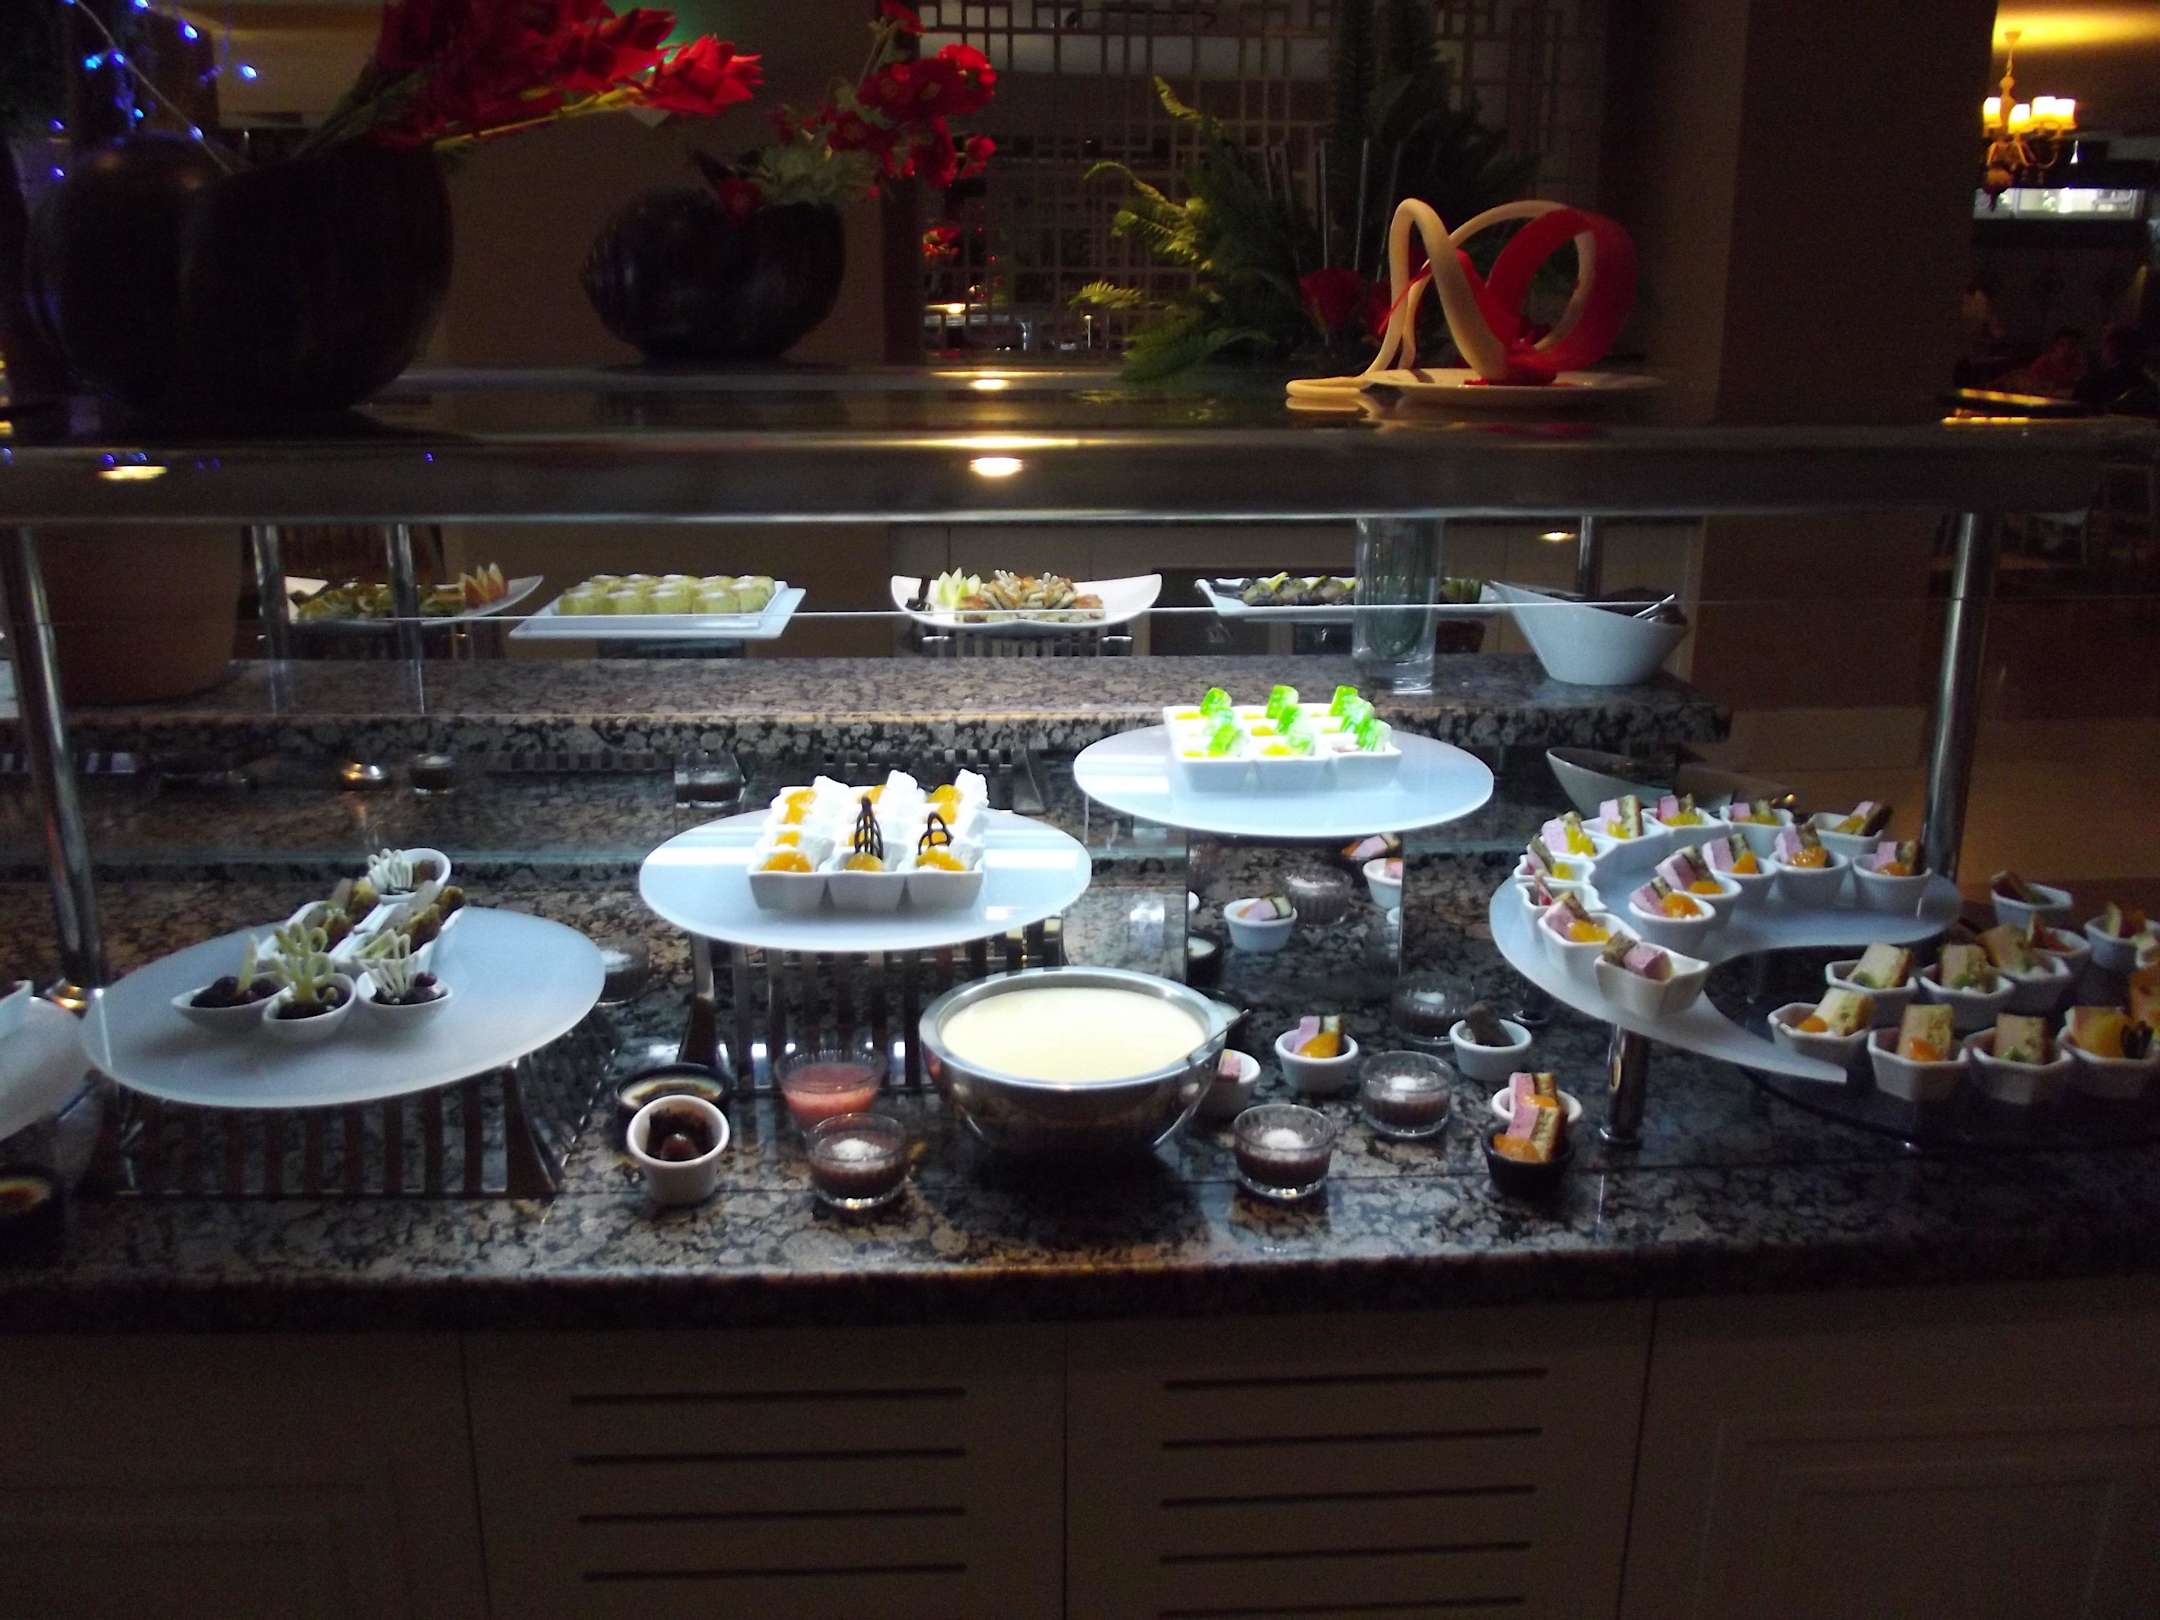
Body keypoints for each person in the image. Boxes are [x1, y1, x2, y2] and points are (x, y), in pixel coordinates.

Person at [2073, 323, 2158, 414]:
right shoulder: (2149, 385)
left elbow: (2076, 410)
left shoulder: (2094, 383)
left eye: (2104, 345)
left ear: (2111, 348)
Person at [1993, 326, 2087, 397]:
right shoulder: (2044, 363)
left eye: (2072, 346)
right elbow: (2033, 387)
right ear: (2055, 346)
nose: (2067, 349)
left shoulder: (2078, 365)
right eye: (2062, 345)